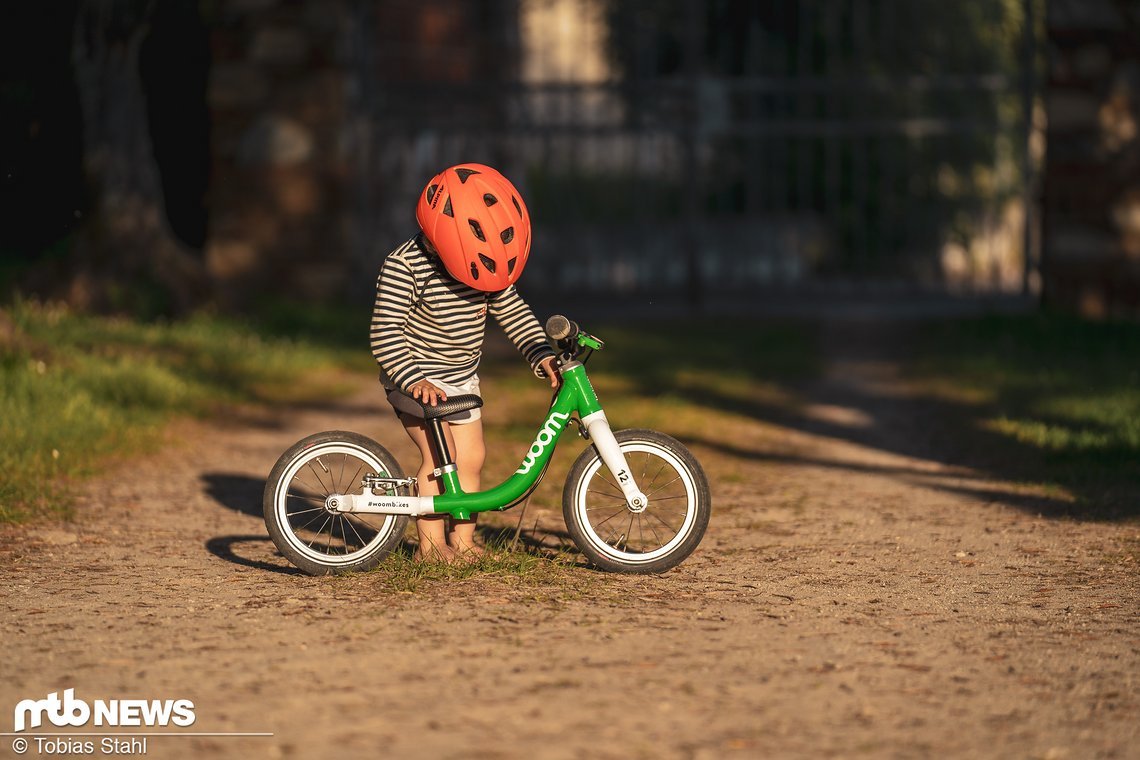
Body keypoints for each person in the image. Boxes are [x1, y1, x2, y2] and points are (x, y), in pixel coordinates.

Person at [370, 163, 559, 563]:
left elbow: (513, 311)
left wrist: (539, 352)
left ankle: (464, 539)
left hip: (462, 379)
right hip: (415, 379)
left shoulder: (485, 262)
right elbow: (384, 333)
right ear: (439, 240)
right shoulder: (404, 265)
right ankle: (431, 547)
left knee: (471, 459)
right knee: (442, 460)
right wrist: (412, 378)